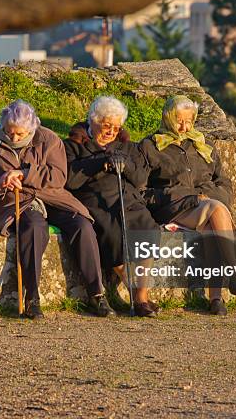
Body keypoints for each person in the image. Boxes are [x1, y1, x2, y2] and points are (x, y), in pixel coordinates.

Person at [0, 100, 113, 319]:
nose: (14, 138)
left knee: (81, 224)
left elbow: (58, 176)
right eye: (10, 133)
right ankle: (32, 297)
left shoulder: (48, 139)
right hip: (16, 201)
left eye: (20, 134)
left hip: (52, 196)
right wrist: (0, 182)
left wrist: (25, 174)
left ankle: (97, 293)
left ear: (32, 128)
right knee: (34, 226)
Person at [140, 95, 236, 315]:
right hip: (173, 207)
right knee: (215, 210)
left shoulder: (203, 144)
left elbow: (224, 183)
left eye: (189, 121)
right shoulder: (151, 146)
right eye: (179, 120)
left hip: (206, 206)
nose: (184, 126)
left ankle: (215, 299)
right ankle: (235, 277)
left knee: (212, 222)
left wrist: (206, 196)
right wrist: (191, 197)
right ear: (168, 117)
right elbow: (143, 191)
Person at [64, 95, 160, 317]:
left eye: (116, 128)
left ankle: (140, 295)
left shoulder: (124, 146)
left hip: (127, 199)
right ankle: (138, 296)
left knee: (148, 228)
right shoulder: (74, 145)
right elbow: (70, 180)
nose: (111, 132)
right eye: (106, 126)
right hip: (96, 201)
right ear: (93, 120)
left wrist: (123, 165)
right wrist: (100, 162)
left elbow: (140, 179)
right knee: (112, 234)